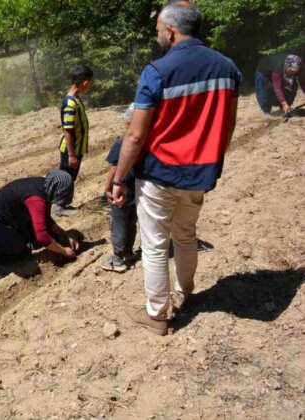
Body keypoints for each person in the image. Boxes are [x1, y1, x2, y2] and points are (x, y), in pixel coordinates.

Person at [111, 2, 241, 336]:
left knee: (155, 244)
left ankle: (157, 316)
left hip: (160, 174)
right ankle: (187, 293)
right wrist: (213, 157)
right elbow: (227, 125)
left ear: (170, 30)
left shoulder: (156, 71)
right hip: (199, 174)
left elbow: (136, 134)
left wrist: (120, 177)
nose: (157, 35)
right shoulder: (228, 69)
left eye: (157, 29)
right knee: (186, 236)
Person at [0, 170, 81, 262]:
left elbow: (44, 217)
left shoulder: (46, 186)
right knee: (21, 253)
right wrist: (64, 251)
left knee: (48, 235)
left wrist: (64, 235)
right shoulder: (37, 199)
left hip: (10, 216)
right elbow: (42, 237)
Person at [100, 104, 137, 273]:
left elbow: (114, 167)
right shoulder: (146, 142)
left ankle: (117, 258)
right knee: (131, 222)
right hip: (137, 190)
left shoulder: (122, 143)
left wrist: (108, 188)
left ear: (128, 121)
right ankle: (129, 253)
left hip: (122, 189)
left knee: (118, 223)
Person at [55, 65, 94, 217]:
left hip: (76, 149)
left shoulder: (75, 100)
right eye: (90, 83)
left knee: (71, 176)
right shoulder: (71, 103)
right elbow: (68, 129)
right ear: (85, 83)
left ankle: (64, 203)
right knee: (66, 176)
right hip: (71, 149)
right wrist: (71, 154)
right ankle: (59, 205)